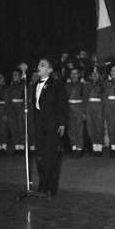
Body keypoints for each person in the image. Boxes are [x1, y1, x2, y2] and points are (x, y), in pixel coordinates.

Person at [30, 58, 67, 198]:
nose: (38, 67)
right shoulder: (35, 84)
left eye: (42, 65)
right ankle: (42, 184)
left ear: (49, 70)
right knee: (40, 156)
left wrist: (62, 123)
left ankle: (51, 187)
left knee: (51, 156)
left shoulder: (56, 84)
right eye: (39, 64)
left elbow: (62, 104)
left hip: (52, 124)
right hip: (39, 125)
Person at [65, 67, 85, 157]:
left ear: (79, 75)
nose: (73, 75)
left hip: (79, 108)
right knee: (71, 129)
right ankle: (73, 147)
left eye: (75, 73)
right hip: (69, 108)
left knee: (79, 129)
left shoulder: (82, 85)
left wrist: (84, 111)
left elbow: (85, 98)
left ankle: (79, 148)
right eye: (72, 73)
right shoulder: (67, 85)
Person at [84, 68, 104, 157]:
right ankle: (94, 147)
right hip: (89, 107)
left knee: (99, 126)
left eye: (97, 73)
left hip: (99, 106)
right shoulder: (87, 85)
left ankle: (99, 148)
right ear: (90, 76)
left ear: (99, 75)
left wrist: (103, 108)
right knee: (91, 127)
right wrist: (84, 110)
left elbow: (104, 97)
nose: (95, 75)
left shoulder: (102, 85)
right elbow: (84, 98)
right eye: (93, 74)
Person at [8, 68, 25, 155]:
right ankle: (17, 147)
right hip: (12, 109)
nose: (14, 76)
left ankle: (22, 147)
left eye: (16, 75)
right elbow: (8, 98)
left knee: (21, 128)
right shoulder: (10, 87)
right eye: (13, 75)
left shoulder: (23, 85)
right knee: (13, 128)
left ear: (20, 76)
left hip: (20, 108)